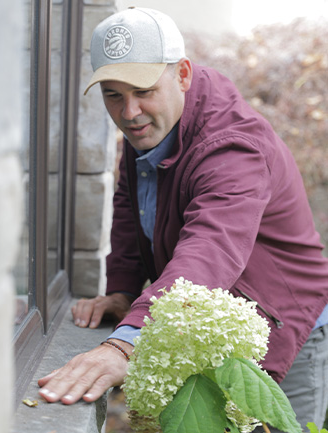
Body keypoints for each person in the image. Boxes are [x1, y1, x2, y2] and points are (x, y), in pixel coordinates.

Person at [37, 7, 328, 432]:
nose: (130, 112)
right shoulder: (155, 124)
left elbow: (209, 251)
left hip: (282, 325)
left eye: (143, 90)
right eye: (113, 95)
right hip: (205, 322)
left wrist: (122, 345)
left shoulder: (233, 148)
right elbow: (128, 205)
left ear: (183, 75)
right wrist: (120, 290)